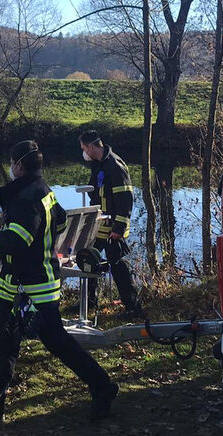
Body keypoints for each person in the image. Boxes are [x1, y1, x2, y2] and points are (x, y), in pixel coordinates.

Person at [0, 140, 119, 424]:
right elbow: (57, 222)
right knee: (6, 345)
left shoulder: (24, 198)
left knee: (49, 344)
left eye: (12, 164)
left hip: (29, 290)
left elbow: (16, 241)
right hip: (29, 285)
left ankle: (102, 386)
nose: (10, 168)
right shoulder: (43, 190)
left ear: (19, 165)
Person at [79, 131, 145, 320]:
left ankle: (133, 308)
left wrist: (119, 228)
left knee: (117, 266)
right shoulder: (98, 165)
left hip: (114, 227)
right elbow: (96, 192)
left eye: (84, 149)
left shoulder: (114, 165)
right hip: (100, 224)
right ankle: (90, 301)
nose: (83, 153)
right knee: (88, 258)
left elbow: (124, 198)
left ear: (91, 147)